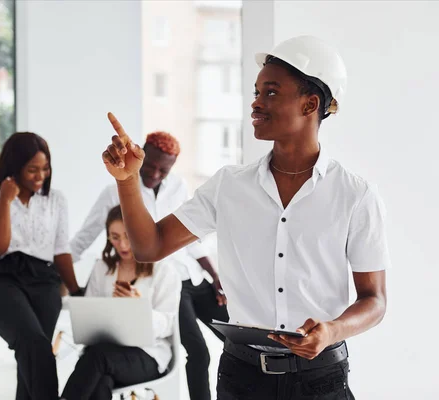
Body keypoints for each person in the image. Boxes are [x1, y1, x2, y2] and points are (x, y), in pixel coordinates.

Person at [100, 35, 390, 399]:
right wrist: (127, 181)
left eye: (270, 92)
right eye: (256, 92)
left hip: (321, 380)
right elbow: (149, 246)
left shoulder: (355, 194)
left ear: (310, 104)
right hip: (242, 379)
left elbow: (374, 301)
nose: (255, 102)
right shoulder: (228, 186)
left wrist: (332, 330)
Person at [71, 131, 229, 400]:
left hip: (192, 276)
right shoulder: (115, 191)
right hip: (165, 283)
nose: (155, 173)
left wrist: (214, 276)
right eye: (151, 165)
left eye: (163, 169)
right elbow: (85, 236)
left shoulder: (177, 186)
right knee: (198, 352)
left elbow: (191, 236)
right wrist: (59, 273)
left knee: (236, 338)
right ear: (141, 154)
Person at [0, 132, 82, 400]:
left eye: (45, 169)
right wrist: (4, 200)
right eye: (32, 169)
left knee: (34, 356)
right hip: (1, 280)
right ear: (14, 169)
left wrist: (77, 291)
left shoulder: (56, 200)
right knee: (33, 345)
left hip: (45, 282)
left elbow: (61, 251)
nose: (40, 176)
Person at [61, 205, 181, 400]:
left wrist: (138, 307)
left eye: (128, 236)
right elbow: (90, 316)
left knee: (97, 359)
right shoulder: (102, 268)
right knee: (101, 382)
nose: (123, 245)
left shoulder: (165, 271)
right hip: (104, 354)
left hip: (147, 355)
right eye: (115, 237)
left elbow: (167, 325)